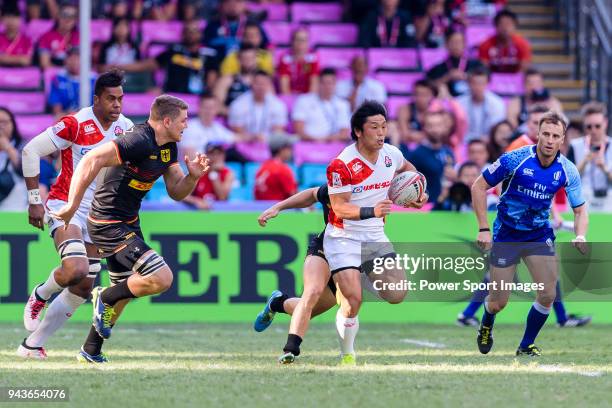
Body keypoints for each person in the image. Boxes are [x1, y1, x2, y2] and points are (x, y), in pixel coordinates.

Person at [51, 95, 209, 352]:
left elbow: (176, 192)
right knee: (161, 278)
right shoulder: (138, 140)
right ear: (167, 121)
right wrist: (71, 205)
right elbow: (91, 160)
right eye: (183, 120)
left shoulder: (168, 146)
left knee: (123, 292)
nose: (187, 126)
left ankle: (91, 349)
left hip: (128, 221)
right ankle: (103, 297)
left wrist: (193, 178)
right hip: (106, 221)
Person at [17, 71, 133, 361]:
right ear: (96, 99)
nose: (117, 105)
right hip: (64, 206)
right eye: (110, 99)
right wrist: (35, 201)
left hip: (98, 216)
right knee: (76, 270)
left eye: (120, 99)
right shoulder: (75, 123)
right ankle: (41, 294)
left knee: (83, 286)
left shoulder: (127, 128)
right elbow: (30, 151)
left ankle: (31, 345)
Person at [472, 110, 588, 356]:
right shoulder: (515, 159)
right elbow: (478, 186)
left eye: (555, 135)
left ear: (562, 139)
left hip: (538, 235)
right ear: (537, 134)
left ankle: (525, 345)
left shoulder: (567, 169)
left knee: (548, 294)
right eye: (545, 133)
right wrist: (483, 228)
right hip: (507, 234)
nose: (549, 139)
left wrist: (580, 235)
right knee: (498, 301)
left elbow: (580, 210)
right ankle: (486, 322)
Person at [323, 100, 426, 364]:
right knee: (353, 301)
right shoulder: (342, 164)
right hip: (343, 236)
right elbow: (340, 207)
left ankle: (350, 278)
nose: (381, 133)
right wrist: (373, 211)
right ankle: (347, 353)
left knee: (396, 294)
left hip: (374, 237)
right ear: (358, 131)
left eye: (384, 126)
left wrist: (415, 193)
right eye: (374, 127)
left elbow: (409, 171)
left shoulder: (391, 154)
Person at [112, 20, 218, 95]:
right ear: (183, 34)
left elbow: (211, 83)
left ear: (200, 34)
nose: (190, 34)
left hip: (198, 98)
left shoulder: (209, 54)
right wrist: (115, 67)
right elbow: (145, 65)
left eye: (194, 31)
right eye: (187, 31)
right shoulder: (174, 51)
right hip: (171, 96)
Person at [401, 110, 455, 204]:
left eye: (438, 125)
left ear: (445, 127)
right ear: (424, 128)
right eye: (431, 126)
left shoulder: (448, 151)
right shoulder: (416, 154)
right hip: (426, 208)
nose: (435, 130)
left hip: (447, 209)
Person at [568, 102, 612, 211]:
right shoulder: (575, 145)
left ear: (605, 123)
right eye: (589, 126)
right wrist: (584, 162)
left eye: (598, 126)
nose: (593, 130)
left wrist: (605, 168)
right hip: (582, 201)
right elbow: (567, 180)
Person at [292, 68, 351, 142]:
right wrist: (317, 141)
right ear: (318, 83)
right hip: (309, 144)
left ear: (335, 84)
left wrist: (325, 140)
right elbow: (299, 130)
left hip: (334, 145)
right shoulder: (304, 100)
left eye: (330, 83)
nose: (327, 86)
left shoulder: (343, 104)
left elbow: (344, 132)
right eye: (324, 83)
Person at [228, 70, 287, 142]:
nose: (261, 87)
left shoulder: (278, 105)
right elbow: (237, 129)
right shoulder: (238, 104)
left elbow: (279, 130)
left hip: (269, 142)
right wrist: (253, 138)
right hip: (245, 141)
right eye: (258, 83)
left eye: (264, 84)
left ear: (269, 85)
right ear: (251, 84)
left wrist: (264, 139)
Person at [203, 0, 267, 65]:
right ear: (221, 5)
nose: (233, 5)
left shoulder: (253, 25)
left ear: (245, 4)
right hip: (218, 66)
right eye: (228, 1)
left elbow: (265, 46)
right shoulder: (212, 26)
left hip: (248, 66)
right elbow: (205, 49)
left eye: (237, 1)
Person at [426, 28, 482, 97]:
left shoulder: (476, 65)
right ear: (446, 44)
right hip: (446, 102)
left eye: (459, 42)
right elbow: (427, 86)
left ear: (464, 45)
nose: (456, 46)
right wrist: (447, 77)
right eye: (453, 42)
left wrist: (466, 77)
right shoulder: (438, 67)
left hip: (470, 101)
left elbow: (484, 80)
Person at [456, 66, 506, 142]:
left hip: (489, 144)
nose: (478, 87)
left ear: (487, 83)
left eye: (481, 83)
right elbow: (458, 129)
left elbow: (497, 130)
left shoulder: (497, 103)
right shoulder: (459, 103)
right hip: (465, 142)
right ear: (468, 83)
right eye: (474, 83)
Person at [180, 92, 236, 158]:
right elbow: (189, 157)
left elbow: (235, 138)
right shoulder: (188, 128)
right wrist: (215, 159)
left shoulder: (217, 127)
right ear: (199, 108)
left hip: (211, 166)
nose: (208, 111)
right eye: (205, 107)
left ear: (216, 110)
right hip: (190, 167)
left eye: (211, 108)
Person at [478, 9, 532, 73]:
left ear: (515, 26)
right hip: (492, 80)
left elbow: (524, 68)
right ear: (496, 26)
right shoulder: (485, 44)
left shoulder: (523, 44)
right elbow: (484, 68)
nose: (505, 28)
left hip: (516, 80)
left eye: (508, 24)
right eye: (502, 24)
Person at [183, 143, 234, 210]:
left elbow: (222, 198)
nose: (216, 157)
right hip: (199, 211)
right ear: (206, 155)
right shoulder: (198, 172)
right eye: (212, 154)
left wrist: (214, 173)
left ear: (223, 156)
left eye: (219, 154)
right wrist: (197, 201)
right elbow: (184, 196)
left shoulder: (227, 173)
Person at [48, 47, 96, 117]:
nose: (74, 62)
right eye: (71, 59)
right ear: (65, 61)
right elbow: (57, 111)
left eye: (78, 59)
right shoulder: (58, 79)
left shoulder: (94, 80)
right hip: (66, 117)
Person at [277, 28, 319, 95]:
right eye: (298, 40)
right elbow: (284, 85)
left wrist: (308, 101)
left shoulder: (313, 58)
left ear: (308, 43)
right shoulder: (285, 58)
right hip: (290, 97)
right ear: (292, 42)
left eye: (304, 40)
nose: (300, 43)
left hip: (307, 98)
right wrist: (289, 100)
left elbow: (314, 83)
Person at [37, 3, 80, 69]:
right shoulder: (46, 37)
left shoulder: (79, 37)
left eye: (72, 16)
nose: (68, 19)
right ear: (58, 16)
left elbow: (80, 62)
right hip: (54, 75)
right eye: (64, 15)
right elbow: (45, 64)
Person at [0, 107, 26, 211]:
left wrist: (8, 148)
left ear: (13, 124)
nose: (1, 126)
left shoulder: (23, 146)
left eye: (4, 122)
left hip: (15, 205)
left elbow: (25, 172)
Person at [397, 79, 438, 144]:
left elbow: (437, 136)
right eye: (417, 94)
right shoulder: (405, 109)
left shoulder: (437, 110)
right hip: (408, 146)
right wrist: (424, 136)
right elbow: (404, 135)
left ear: (432, 96)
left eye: (424, 95)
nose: (420, 98)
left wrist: (414, 135)